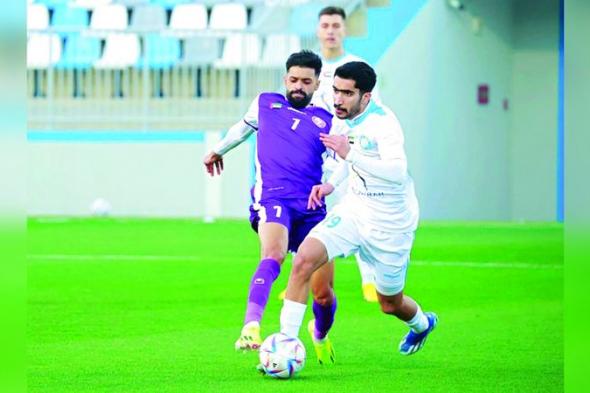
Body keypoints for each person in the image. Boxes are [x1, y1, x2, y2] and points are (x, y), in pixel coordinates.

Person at [278, 61, 437, 365]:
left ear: (366, 97)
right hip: (355, 210)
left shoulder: (384, 123)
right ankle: (286, 344)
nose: (338, 99)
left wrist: (349, 153)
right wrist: (329, 184)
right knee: (304, 259)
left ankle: (422, 324)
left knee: (389, 303)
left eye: (347, 94)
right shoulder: (342, 116)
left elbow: (396, 171)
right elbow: (343, 158)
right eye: (336, 91)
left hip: (391, 224)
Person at [203, 50, 336, 352]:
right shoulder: (266, 103)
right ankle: (251, 327)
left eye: (306, 81)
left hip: (313, 207)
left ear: (317, 84)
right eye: (293, 79)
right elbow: (242, 128)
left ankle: (320, 332)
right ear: (285, 79)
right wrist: (217, 150)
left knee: (323, 293)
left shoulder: (327, 121)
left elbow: (340, 164)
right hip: (273, 197)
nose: (298, 86)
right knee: (272, 254)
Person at [314, 5, 380, 303]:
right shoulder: (309, 68)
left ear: (344, 30)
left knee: (358, 215)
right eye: (325, 25)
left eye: (336, 25)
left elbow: (370, 110)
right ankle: (306, 281)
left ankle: (370, 280)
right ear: (318, 30)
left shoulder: (357, 65)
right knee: (315, 219)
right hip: (317, 158)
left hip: (348, 154)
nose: (330, 31)